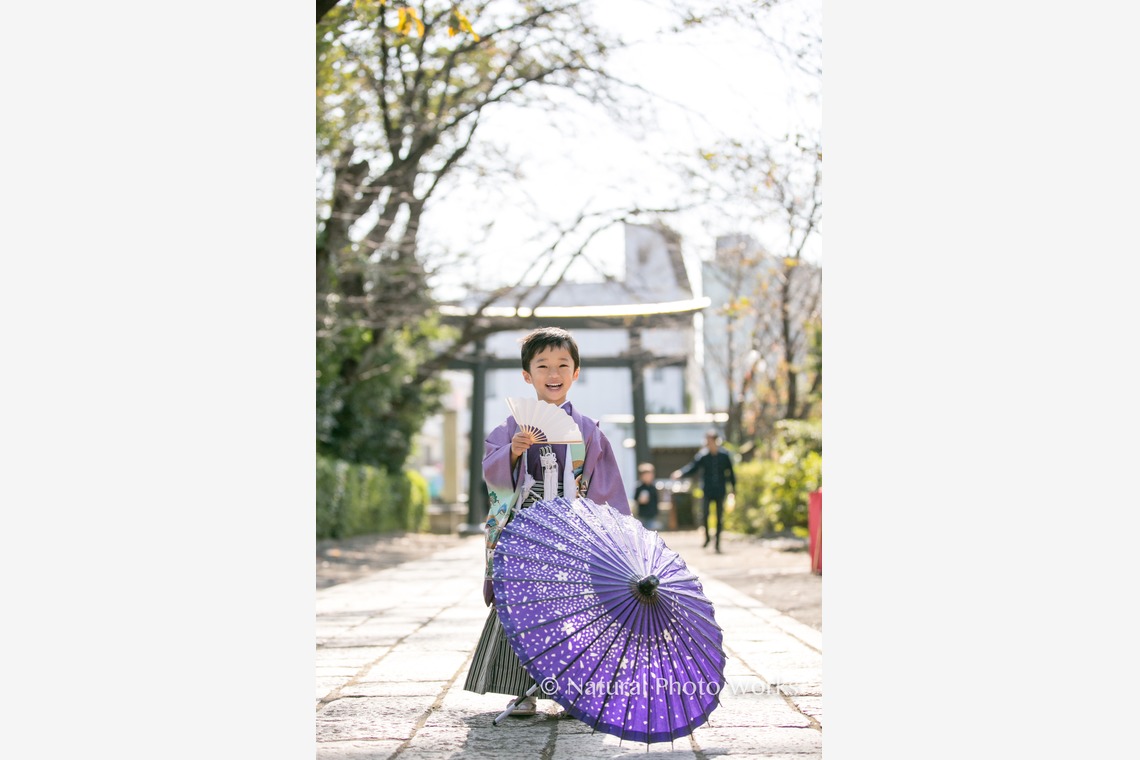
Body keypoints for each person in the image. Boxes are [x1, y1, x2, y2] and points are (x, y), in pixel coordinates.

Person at [463, 326, 630, 717]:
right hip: (525, 527)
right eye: (542, 366)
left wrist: (607, 532)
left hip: (574, 530)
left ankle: (574, 691)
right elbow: (494, 476)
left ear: (576, 373)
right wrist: (512, 454)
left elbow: (605, 486)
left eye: (562, 365)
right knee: (518, 604)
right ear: (527, 375)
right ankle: (521, 689)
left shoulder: (588, 431)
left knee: (574, 608)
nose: (553, 373)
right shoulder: (511, 429)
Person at [671, 430, 735, 553]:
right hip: (707, 490)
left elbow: (731, 473)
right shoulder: (703, 455)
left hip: (720, 490)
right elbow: (693, 467)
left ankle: (717, 543)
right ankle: (707, 538)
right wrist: (681, 473)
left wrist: (733, 489)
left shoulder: (724, 456)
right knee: (705, 514)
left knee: (719, 517)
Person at [633, 462, 660, 531]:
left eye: (650, 475)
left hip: (652, 513)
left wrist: (656, 511)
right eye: (646, 475)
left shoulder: (653, 487)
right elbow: (635, 499)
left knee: (651, 531)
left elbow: (656, 500)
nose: (649, 477)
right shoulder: (639, 487)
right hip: (642, 514)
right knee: (642, 531)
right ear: (641, 476)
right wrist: (640, 500)